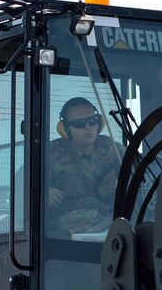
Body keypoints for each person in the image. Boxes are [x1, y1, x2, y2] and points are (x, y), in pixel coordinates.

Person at [46, 97, 119, 235]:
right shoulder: (49, 153)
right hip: (69, 231)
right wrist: (43, 192)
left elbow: (139, 170)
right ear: (66, 128)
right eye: (79, 123)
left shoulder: (109, 146)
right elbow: (23, 188)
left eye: (92, 121)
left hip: (111, 224)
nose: (88, 127)